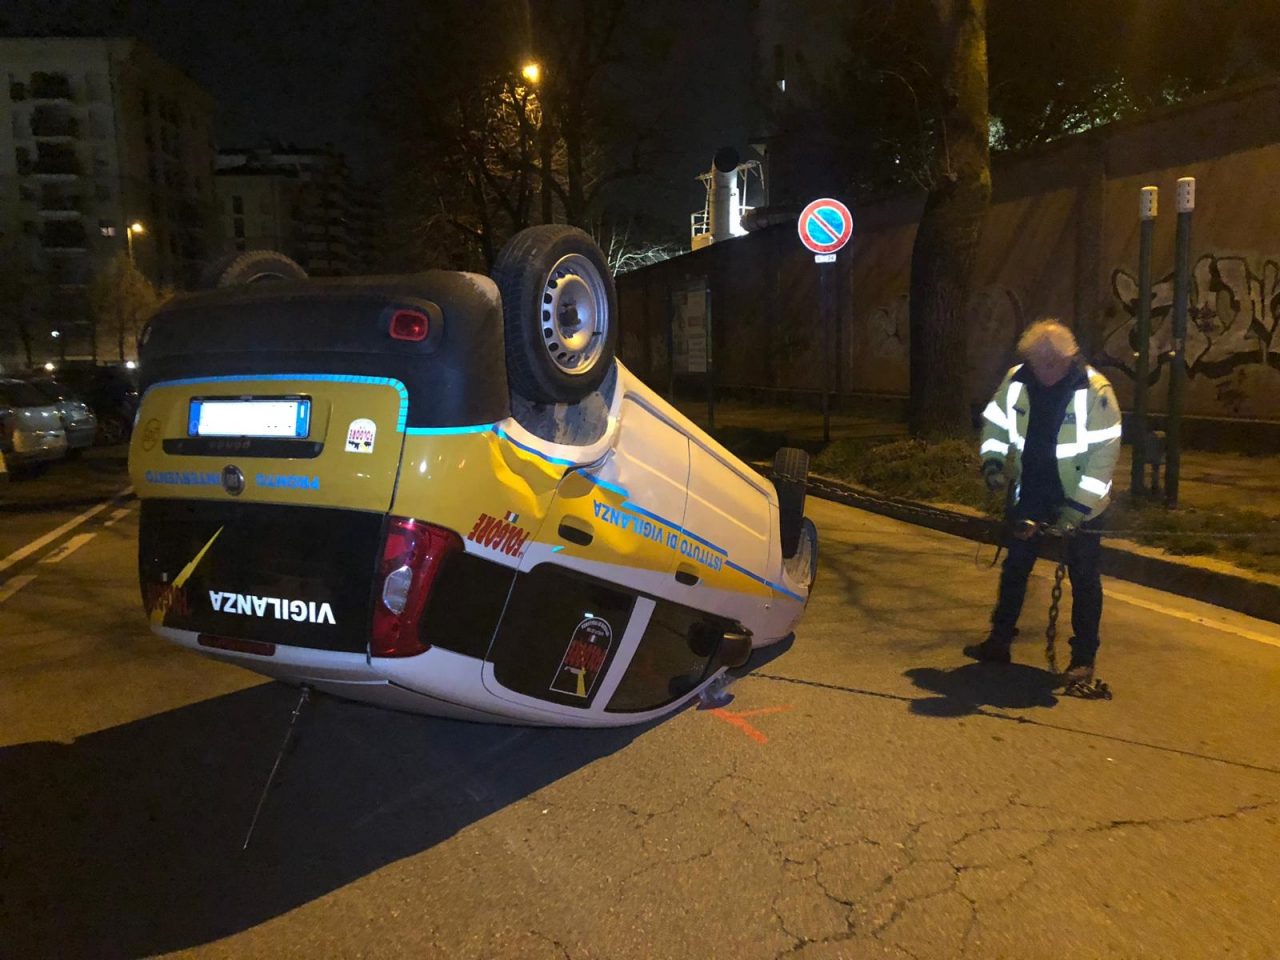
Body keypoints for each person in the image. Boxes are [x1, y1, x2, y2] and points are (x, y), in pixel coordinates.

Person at [964, 319, 1122, 684]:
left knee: (1084, 578)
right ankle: (999, 641)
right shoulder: (1017, 379)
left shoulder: (1095, 392)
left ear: (1069, 358)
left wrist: (1076, 510)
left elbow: (1103, 458)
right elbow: (996, 421)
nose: (1044, 371)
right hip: (1031, 492)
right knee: (1015, 568)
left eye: (1052, 364)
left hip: (1079, 497)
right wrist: (992, 462)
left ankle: (1083, 659)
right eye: (1038, 363)